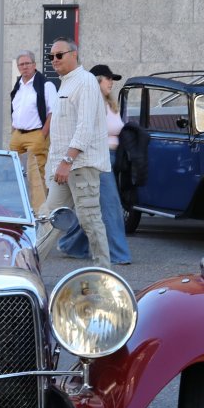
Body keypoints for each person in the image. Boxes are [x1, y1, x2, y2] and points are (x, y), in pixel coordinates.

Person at [40, 39, 111, 267]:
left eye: (59, 55)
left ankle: (104, 273)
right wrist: (56, 166)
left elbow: (84, 127)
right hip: (65, 166)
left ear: (74, 54)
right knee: (49, 218)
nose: (54, 60)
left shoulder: (85, 81)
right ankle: (28, 267)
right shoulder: (66, 83)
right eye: (51, 56)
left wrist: (67, 160)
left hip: (80, 165)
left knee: (90, 220)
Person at [56, 63, 133, 266]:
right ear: (97, 80)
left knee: (90, 209)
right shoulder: (90, 101)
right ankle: (118, 254)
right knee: (110, 206)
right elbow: (83, 130)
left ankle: (71, 245)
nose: (112, 83)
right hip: (94, 159)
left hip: (112, 159)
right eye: (109, 79)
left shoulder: (111, 104)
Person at [8, 50, 56, 210]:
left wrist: (43, 134)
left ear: (34, 65)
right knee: (16, 175)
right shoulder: (18, 85)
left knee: (35, 176)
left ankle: (40, 214)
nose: (24, 67)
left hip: (36, 134)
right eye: (21, 64)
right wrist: (13, 130)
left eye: (27, 63)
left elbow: (53, 112)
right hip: (17, 135)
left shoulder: (46, 85)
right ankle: (22, 210)